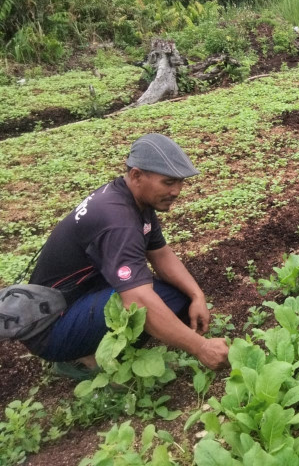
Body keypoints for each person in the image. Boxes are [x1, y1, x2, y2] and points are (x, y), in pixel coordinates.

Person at [21, 133, 229, 379]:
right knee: (143, 300)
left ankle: (99, 344)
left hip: (78, 299)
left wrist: (197, 295)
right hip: (52, 327)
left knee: (175, 296)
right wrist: (201, 347)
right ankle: (83, 359)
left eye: (180, 182)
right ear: (137, 175)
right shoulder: (117, 222)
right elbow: (137, 301)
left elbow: (160, 253)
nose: (177, 191)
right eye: (168, 182)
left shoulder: (132, 199)